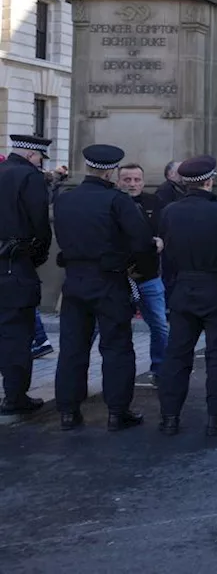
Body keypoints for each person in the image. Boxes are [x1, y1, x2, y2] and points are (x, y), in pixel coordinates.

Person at [53, 144, 157, 431]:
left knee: (72, 347)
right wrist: (144, 269)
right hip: (109, 279)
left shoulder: (64, 199)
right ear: (112, 171)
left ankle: (69, 412)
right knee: (116, 347)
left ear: (87, 167)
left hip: (74, 279)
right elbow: (141, 241)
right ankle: (117, 411)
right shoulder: (118, 201)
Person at [156, 156, 217, 436]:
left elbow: (167, 248)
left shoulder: (170, 212)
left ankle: (169, 417)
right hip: (216, 286)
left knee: (176, 355)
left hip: (183, 287)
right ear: (210, 180)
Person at [0, 135, 53, 418]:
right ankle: (15, 396)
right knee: (16, 335)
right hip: (14, 265)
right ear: (35, 156)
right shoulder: (30, 177)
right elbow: (41, 225)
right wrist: (36, 256)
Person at [116, 163, 169, 388]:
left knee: (159, 324)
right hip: (117, 278)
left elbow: (164, 229)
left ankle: (161, 369)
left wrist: (161, 240)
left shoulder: (154, 202)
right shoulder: (112, 202)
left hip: (148, 276)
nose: (132, 184)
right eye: (127, 180)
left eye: (137, 179)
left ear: (143, 181)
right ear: (119, 181)